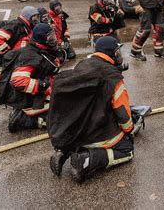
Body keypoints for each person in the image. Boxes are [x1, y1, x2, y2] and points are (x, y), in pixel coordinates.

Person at [48, 36, 134, 183]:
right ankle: (86, 160)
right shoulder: (113, 78)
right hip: (98, 134)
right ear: (111, 54)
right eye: (117, 52)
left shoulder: (83, 65)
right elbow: (122, 112)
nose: (119, 55)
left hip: (76, 132)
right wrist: (129, 131)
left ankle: (65, 151)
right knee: (127, 150)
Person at [0, 23, 60, 133]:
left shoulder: (38, 49)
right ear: (42, 39)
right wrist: (42, 85)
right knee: (64, 115)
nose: (54, 39)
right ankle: (23, 119)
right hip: (30, 101)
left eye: (53, 35)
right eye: (50, 37)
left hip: (36, 95)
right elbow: (18, 81)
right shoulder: (31, 57)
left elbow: (48, 67)